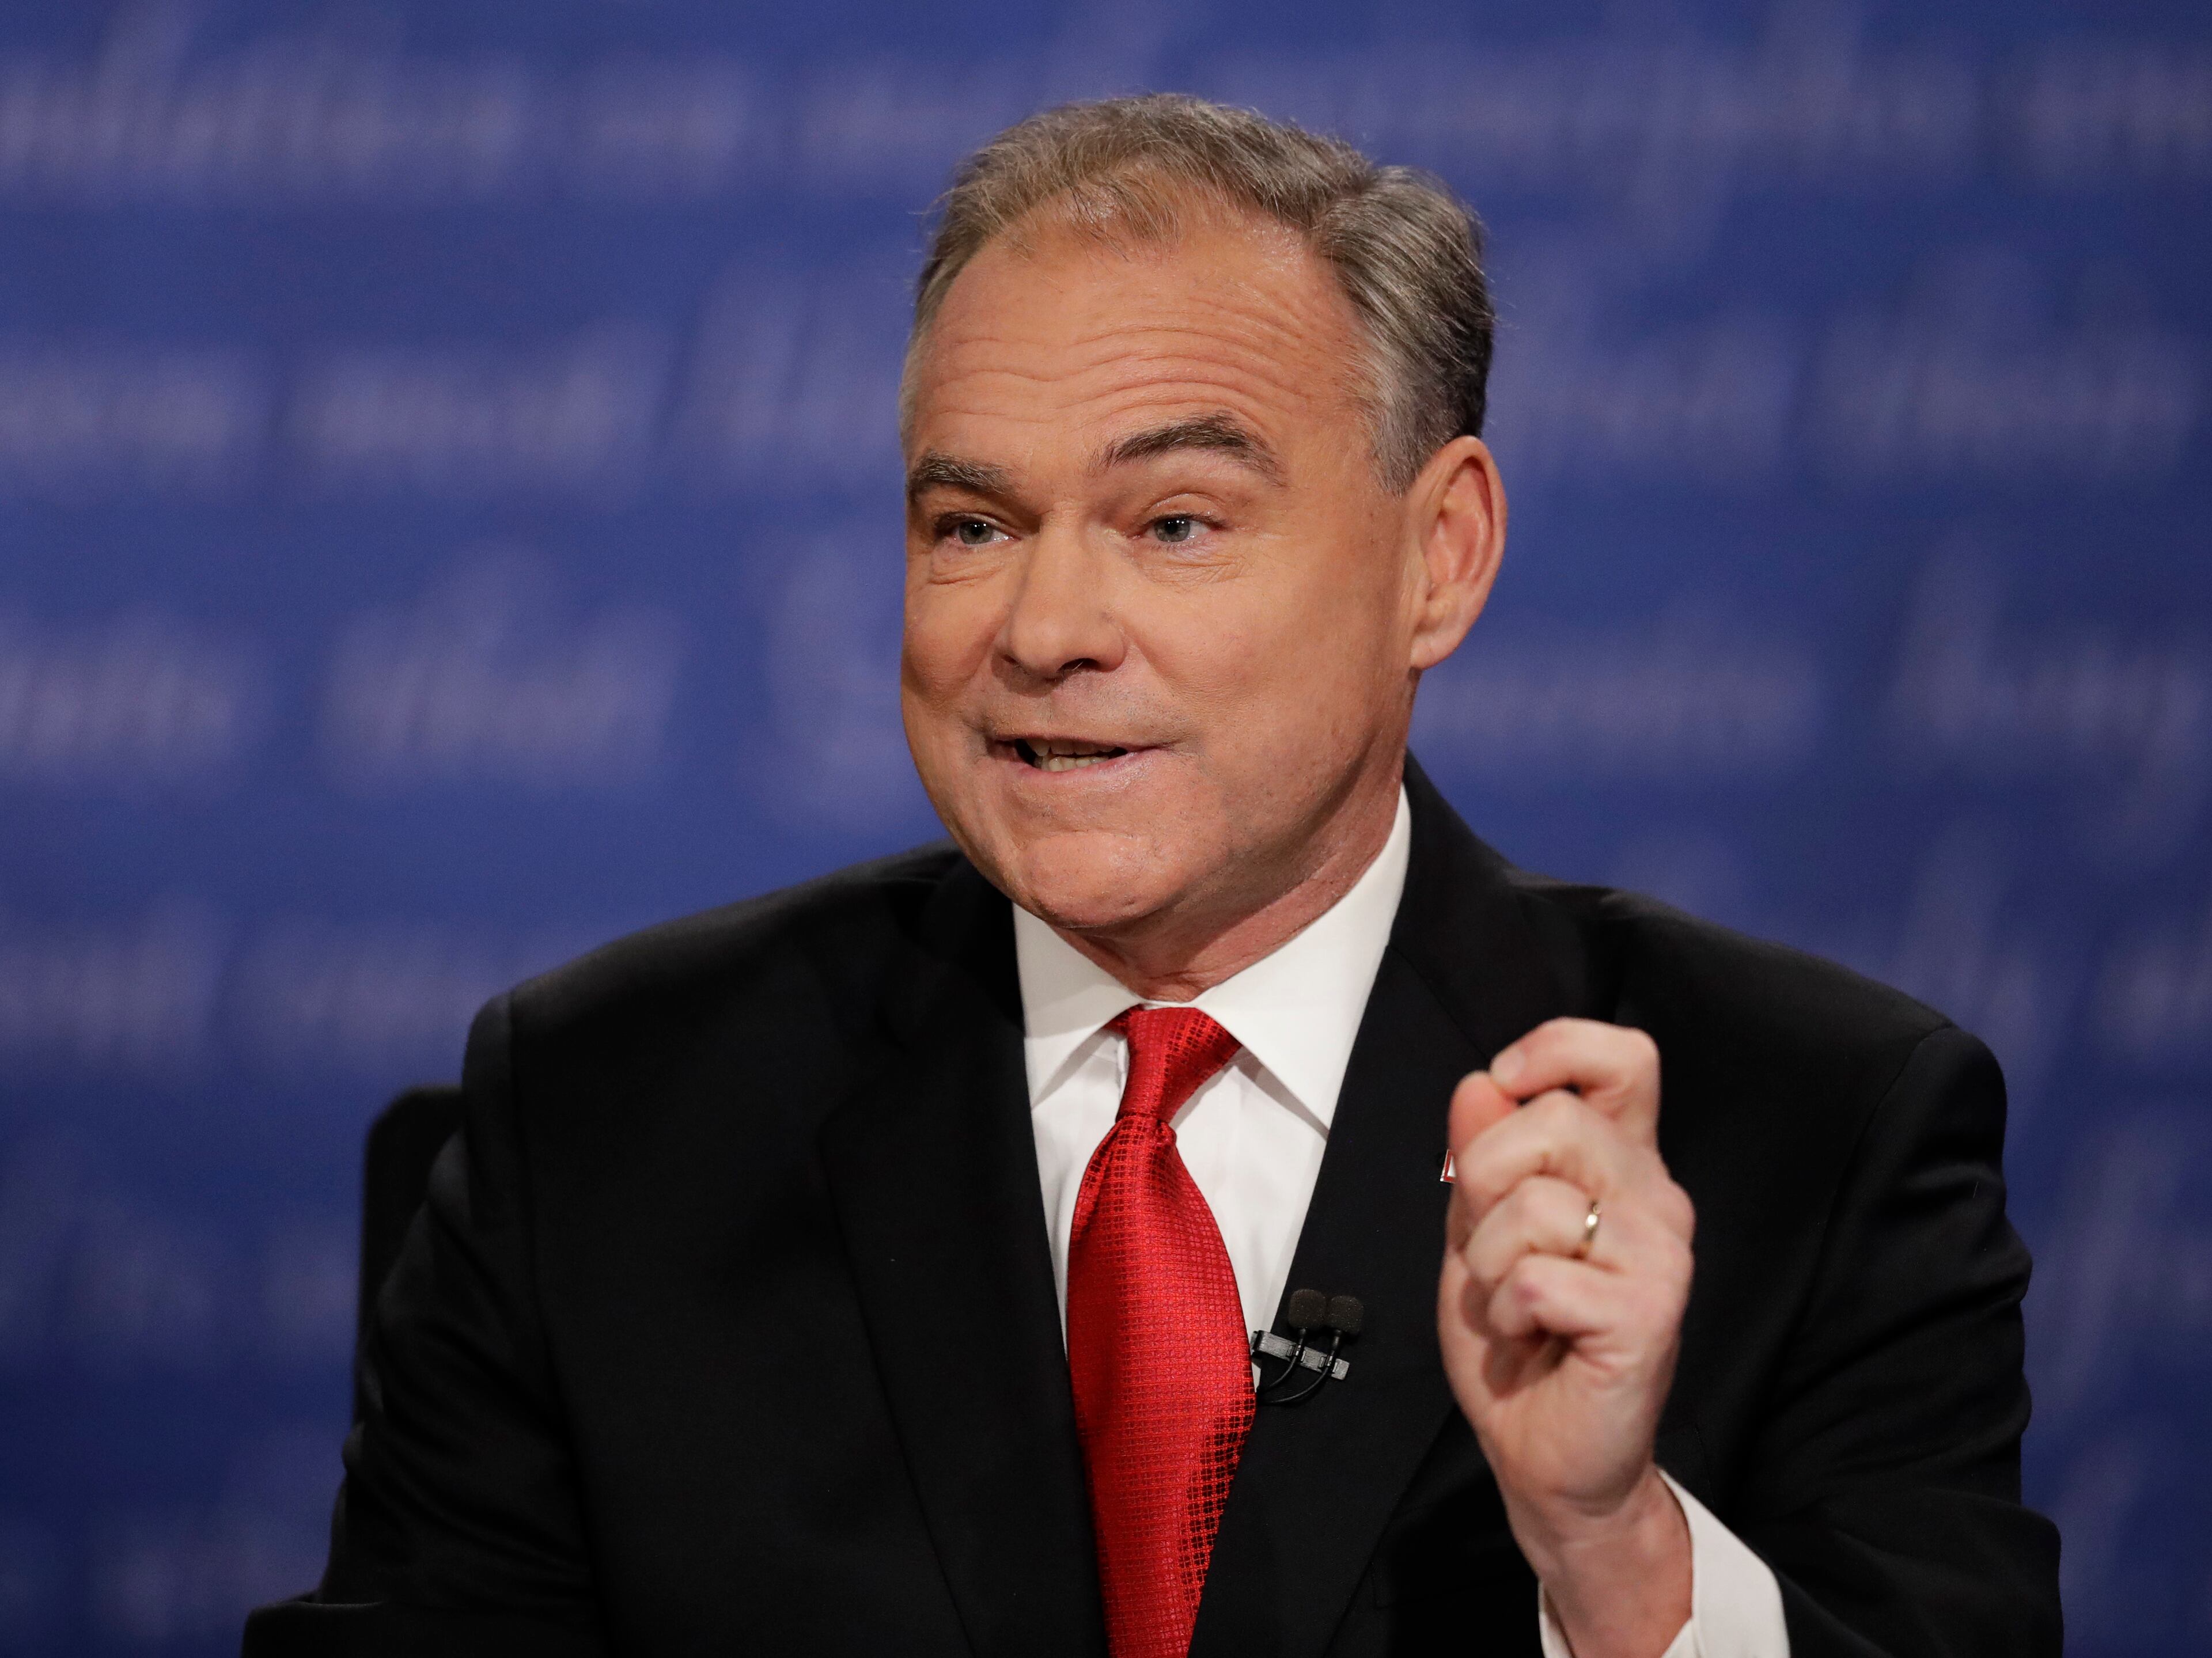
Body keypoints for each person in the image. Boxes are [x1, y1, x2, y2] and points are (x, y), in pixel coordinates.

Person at [245, 96, 2060, 1657]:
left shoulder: (1810, 1136)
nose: (1044, 628)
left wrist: (1613, 1554)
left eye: (1174, 522)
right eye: (973, 525)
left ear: (1439, 557)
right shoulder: (604, 1126)